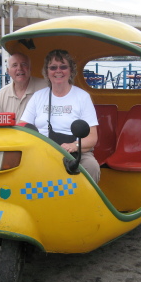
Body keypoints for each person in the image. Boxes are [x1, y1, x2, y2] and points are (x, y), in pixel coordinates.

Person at [20, 49, 100, 183]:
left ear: (71, 71)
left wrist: (74, 146)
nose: (58, 71)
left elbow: (92, 137)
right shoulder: (38, 97)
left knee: (91, 167)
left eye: (63, 67)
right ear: (47, 72)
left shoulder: (82, 97)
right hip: (42, 150)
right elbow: (23, 126)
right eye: (53, 67)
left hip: (74, 151)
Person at [0, 53, 46, 121]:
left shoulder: (45, 88)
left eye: (24, 64)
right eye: (14, 65)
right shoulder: (2, 94)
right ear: (8, 71)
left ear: (30, 68)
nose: (19, 68)